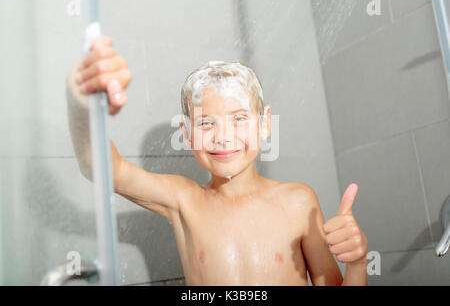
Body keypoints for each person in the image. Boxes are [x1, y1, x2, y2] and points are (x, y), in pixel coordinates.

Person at [66, 35, 368, 285]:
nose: (223, 137)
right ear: (186, 134)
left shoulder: (298, 201)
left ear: (265, 124)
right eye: (206, 123)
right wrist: (81, 104)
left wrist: (356, 263)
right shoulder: (184, 201)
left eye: (238, 119)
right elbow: (103, 167)